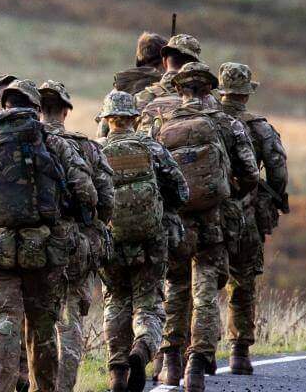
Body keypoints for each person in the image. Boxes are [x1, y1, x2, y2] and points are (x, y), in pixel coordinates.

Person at [0, 75, 100, 392]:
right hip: (43, 252)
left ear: (3, 105)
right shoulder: (53, 142)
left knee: (2, 323)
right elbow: (87, 193)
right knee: (42, 327)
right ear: (35, 109)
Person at [140, 62, 261, 392]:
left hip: (177, 226)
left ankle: (171, 362)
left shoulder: (162, 125)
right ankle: (197, 363)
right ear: (210, 89)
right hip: (213, 224)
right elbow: (250, 172)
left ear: (179, 90)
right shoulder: (228, 123)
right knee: (205, 294)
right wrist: (229, 191)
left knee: (176, 290)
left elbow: (152, 175)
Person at [94, 90, 190, 392]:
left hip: (111, 241)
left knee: (115, 302)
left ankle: (117, 371)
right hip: (151, 240)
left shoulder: (96, 151)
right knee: (148, 303)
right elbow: (181, 191)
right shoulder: (152, 148)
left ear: (108, 120)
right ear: (135, 119)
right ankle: (143, 348)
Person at [37, 80, 115, 392]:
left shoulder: (25, 143)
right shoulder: (86, 147)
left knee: (35, 320)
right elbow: (106, 200)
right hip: (75, 247)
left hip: (32, 245)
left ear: (37, 109)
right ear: (66, 110)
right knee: (69, 321)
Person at [214, 62, 289, 375]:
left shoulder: (207, 122)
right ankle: (239, 352)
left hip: (210, 213)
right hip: (247, 214)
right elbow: (278, 170)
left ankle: (194, 349)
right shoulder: (260, 127)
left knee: (200, 279)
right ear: (246, 94)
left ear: (221, 91)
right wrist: (273, 196)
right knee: (243, 282)